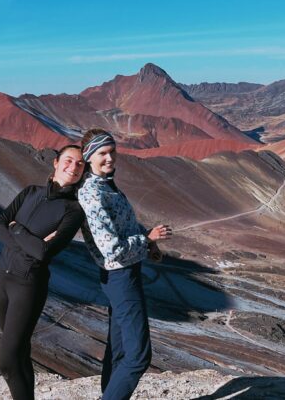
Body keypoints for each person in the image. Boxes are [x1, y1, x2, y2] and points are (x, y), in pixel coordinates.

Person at [77, 129, 172, 400]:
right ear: (89, 157)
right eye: (102, 154)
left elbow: (123, 228)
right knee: (138, 356)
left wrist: (148, 247)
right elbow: (112, 248)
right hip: (120, 277)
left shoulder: (106, 185)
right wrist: (148, 238)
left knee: (118, 350)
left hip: (124, 274)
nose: (109, 158)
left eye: (112, 152)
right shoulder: (93, 195)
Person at [0, 145, 86, 400]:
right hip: (3, 277)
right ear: (56, 163)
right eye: (69, 160)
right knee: (20, 352)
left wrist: (18, 230)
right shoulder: (29, 192)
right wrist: (27, 244)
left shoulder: (74, 211)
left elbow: (45, 253)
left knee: (8, 361)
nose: (73, 167)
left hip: (28, 285)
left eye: (80, 164)